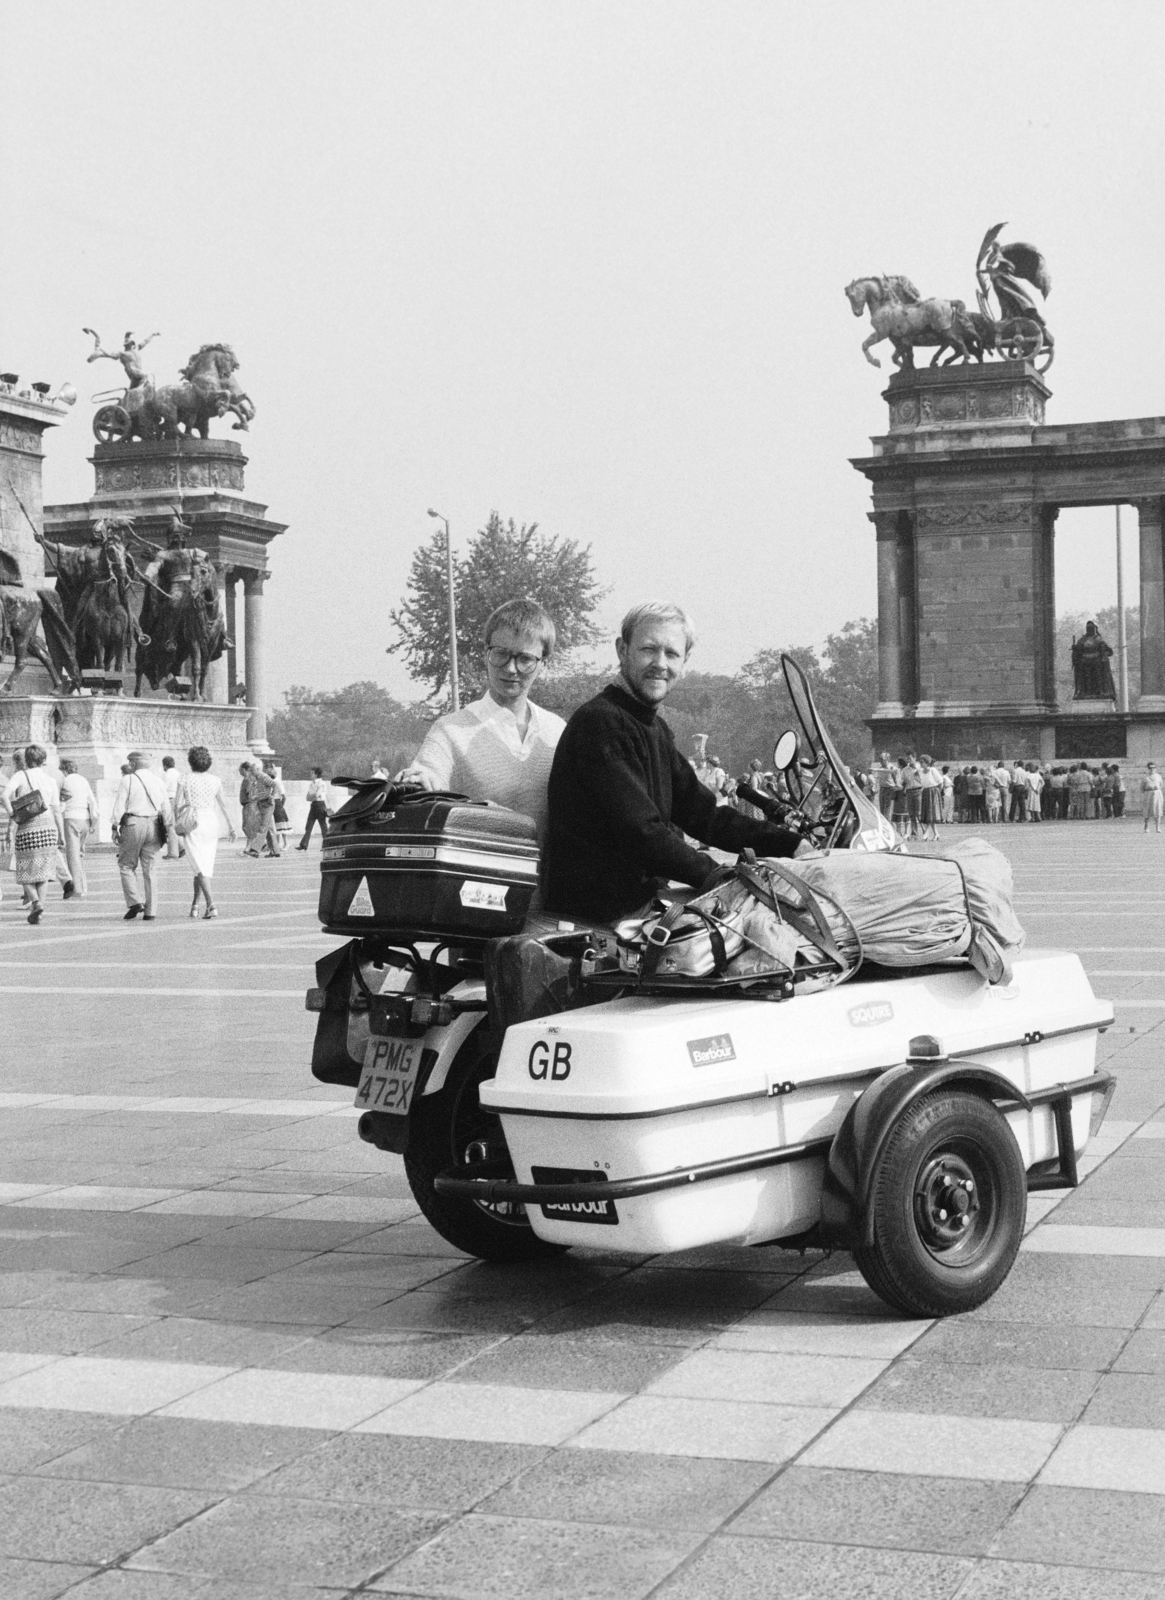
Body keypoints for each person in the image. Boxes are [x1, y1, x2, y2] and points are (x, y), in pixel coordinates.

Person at [542, 602, 802, 924]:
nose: (660, 664)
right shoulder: (602, 723)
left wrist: (792, 845)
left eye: (672, 653)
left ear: (685, 661)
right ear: (622, 650)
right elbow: (641, 833)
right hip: (598, 922)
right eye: (649, 649)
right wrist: (721, 876)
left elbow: (704, 815)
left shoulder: (653, 728)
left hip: (635, 908)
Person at [398, 598, 566, 839]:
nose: (510, 668)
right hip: (476, 873)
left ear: (544, 664)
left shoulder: (558, 731)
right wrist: (417, 782)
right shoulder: (450, 731)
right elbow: (425, 781)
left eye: (525, 659)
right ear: (485, 653)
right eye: (501, 654)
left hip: (545, 876)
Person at [2, 746, 64, 924]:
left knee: (24, 868)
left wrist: (13, 814)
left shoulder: (21, 776)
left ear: (26, 760)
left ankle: (35, 902)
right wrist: (60, 834)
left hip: (28, 826)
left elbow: (5, 795)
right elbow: (57, 810)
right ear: (43, 759)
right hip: (48, 826)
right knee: (44, 871)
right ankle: (40, 908)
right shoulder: (50, 780)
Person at [176, 746, 237, 919]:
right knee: (203, 866)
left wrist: (178, 824)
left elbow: (176, 805)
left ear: (191, 762)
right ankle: (195, 905)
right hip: (210, 821)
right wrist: (231, 827)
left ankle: (211, 904)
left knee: (199, 866)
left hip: (193, 820)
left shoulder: (184, 778)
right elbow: (223, 804)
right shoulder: (215, 780)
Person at [112, 750, 172, 920]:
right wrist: (167, 827)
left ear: (132, 764)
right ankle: (151, 910)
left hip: (133, 824)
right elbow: (166, 807)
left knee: (126, 865)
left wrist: (114, 826)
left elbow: (119, 806)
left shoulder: (127, 780)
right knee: (150, 869)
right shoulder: (158, 781)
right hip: (154, 824)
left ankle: (135, 901)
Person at [58, 759, 99, 899]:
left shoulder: (66, 781)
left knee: (72, 855)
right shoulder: (83, 780)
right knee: (80, 854)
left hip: (71, 818)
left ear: (64, 769)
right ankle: (84, 885)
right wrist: (93, 821)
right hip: (85, 819)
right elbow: (92, 801)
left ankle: (78, 888)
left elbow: (63, 802)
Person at [298, 767, 331, 849]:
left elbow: (316, 795)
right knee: (309, 825)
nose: (310, 774)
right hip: (314, 805)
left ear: (316, 774)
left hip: (320, 805)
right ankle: (304, 845)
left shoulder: (321, 783)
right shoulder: (311, 783)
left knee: (323, 826)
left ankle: (327, 845)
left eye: (312, 773)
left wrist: (312, 796)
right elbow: (308, 797)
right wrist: (313, 796)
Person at [160, 755, 184, 859]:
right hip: (179, 801)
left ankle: (173, 852)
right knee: (175, 825)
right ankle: (181, 847)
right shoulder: (179, 774)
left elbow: (163, 790)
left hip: (170, 800)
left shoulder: (167, 775)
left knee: (170, 825)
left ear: (164, 765)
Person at [266, 762, 292, 851]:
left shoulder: (277, 781)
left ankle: (285, 843)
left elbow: (284, 796)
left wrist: (280, 805)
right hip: (271, 803)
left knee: (281, 824)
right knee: (274, 825)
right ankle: (275, 843)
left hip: (277, 803)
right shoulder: (268, 781)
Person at [238, 761, 262, 854]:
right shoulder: (247, 779)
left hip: (249, 804)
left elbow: (249, 792)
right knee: (247, 826)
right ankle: (258, 845)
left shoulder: (248, 779)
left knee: (248, 826)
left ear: (244, 769)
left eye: (240, 769)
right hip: (248, 805)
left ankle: (248, 848)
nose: (239, 771)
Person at [1142, 762, 1164, 834]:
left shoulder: (1158, 776)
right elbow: (1142, 787)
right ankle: (1146, 826)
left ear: (1155, 768)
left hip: (1157, 793)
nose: (1152, 769)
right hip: (1148, 794)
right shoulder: (1145, 777)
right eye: (1150, 768)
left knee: (1158, 810)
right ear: (1148, 768)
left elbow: (1161, 785)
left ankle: (1158, 827)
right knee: (1147, 810)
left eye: (1153, 768)